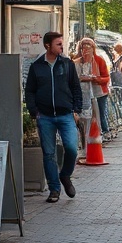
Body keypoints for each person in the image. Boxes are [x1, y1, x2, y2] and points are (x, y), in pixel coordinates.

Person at [25, 32, 83, 202]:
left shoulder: (67, 64)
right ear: (47, 46)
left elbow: (75, 88)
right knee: (49, 154)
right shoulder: (37, 66)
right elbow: (30, 91)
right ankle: (54, 189)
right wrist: (34, 111)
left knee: (72, 148)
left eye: (61, 44)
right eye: (58, 44)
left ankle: (65, 175)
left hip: (66, 115)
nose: (62, 47)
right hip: (45, 116)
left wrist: (76, 110)